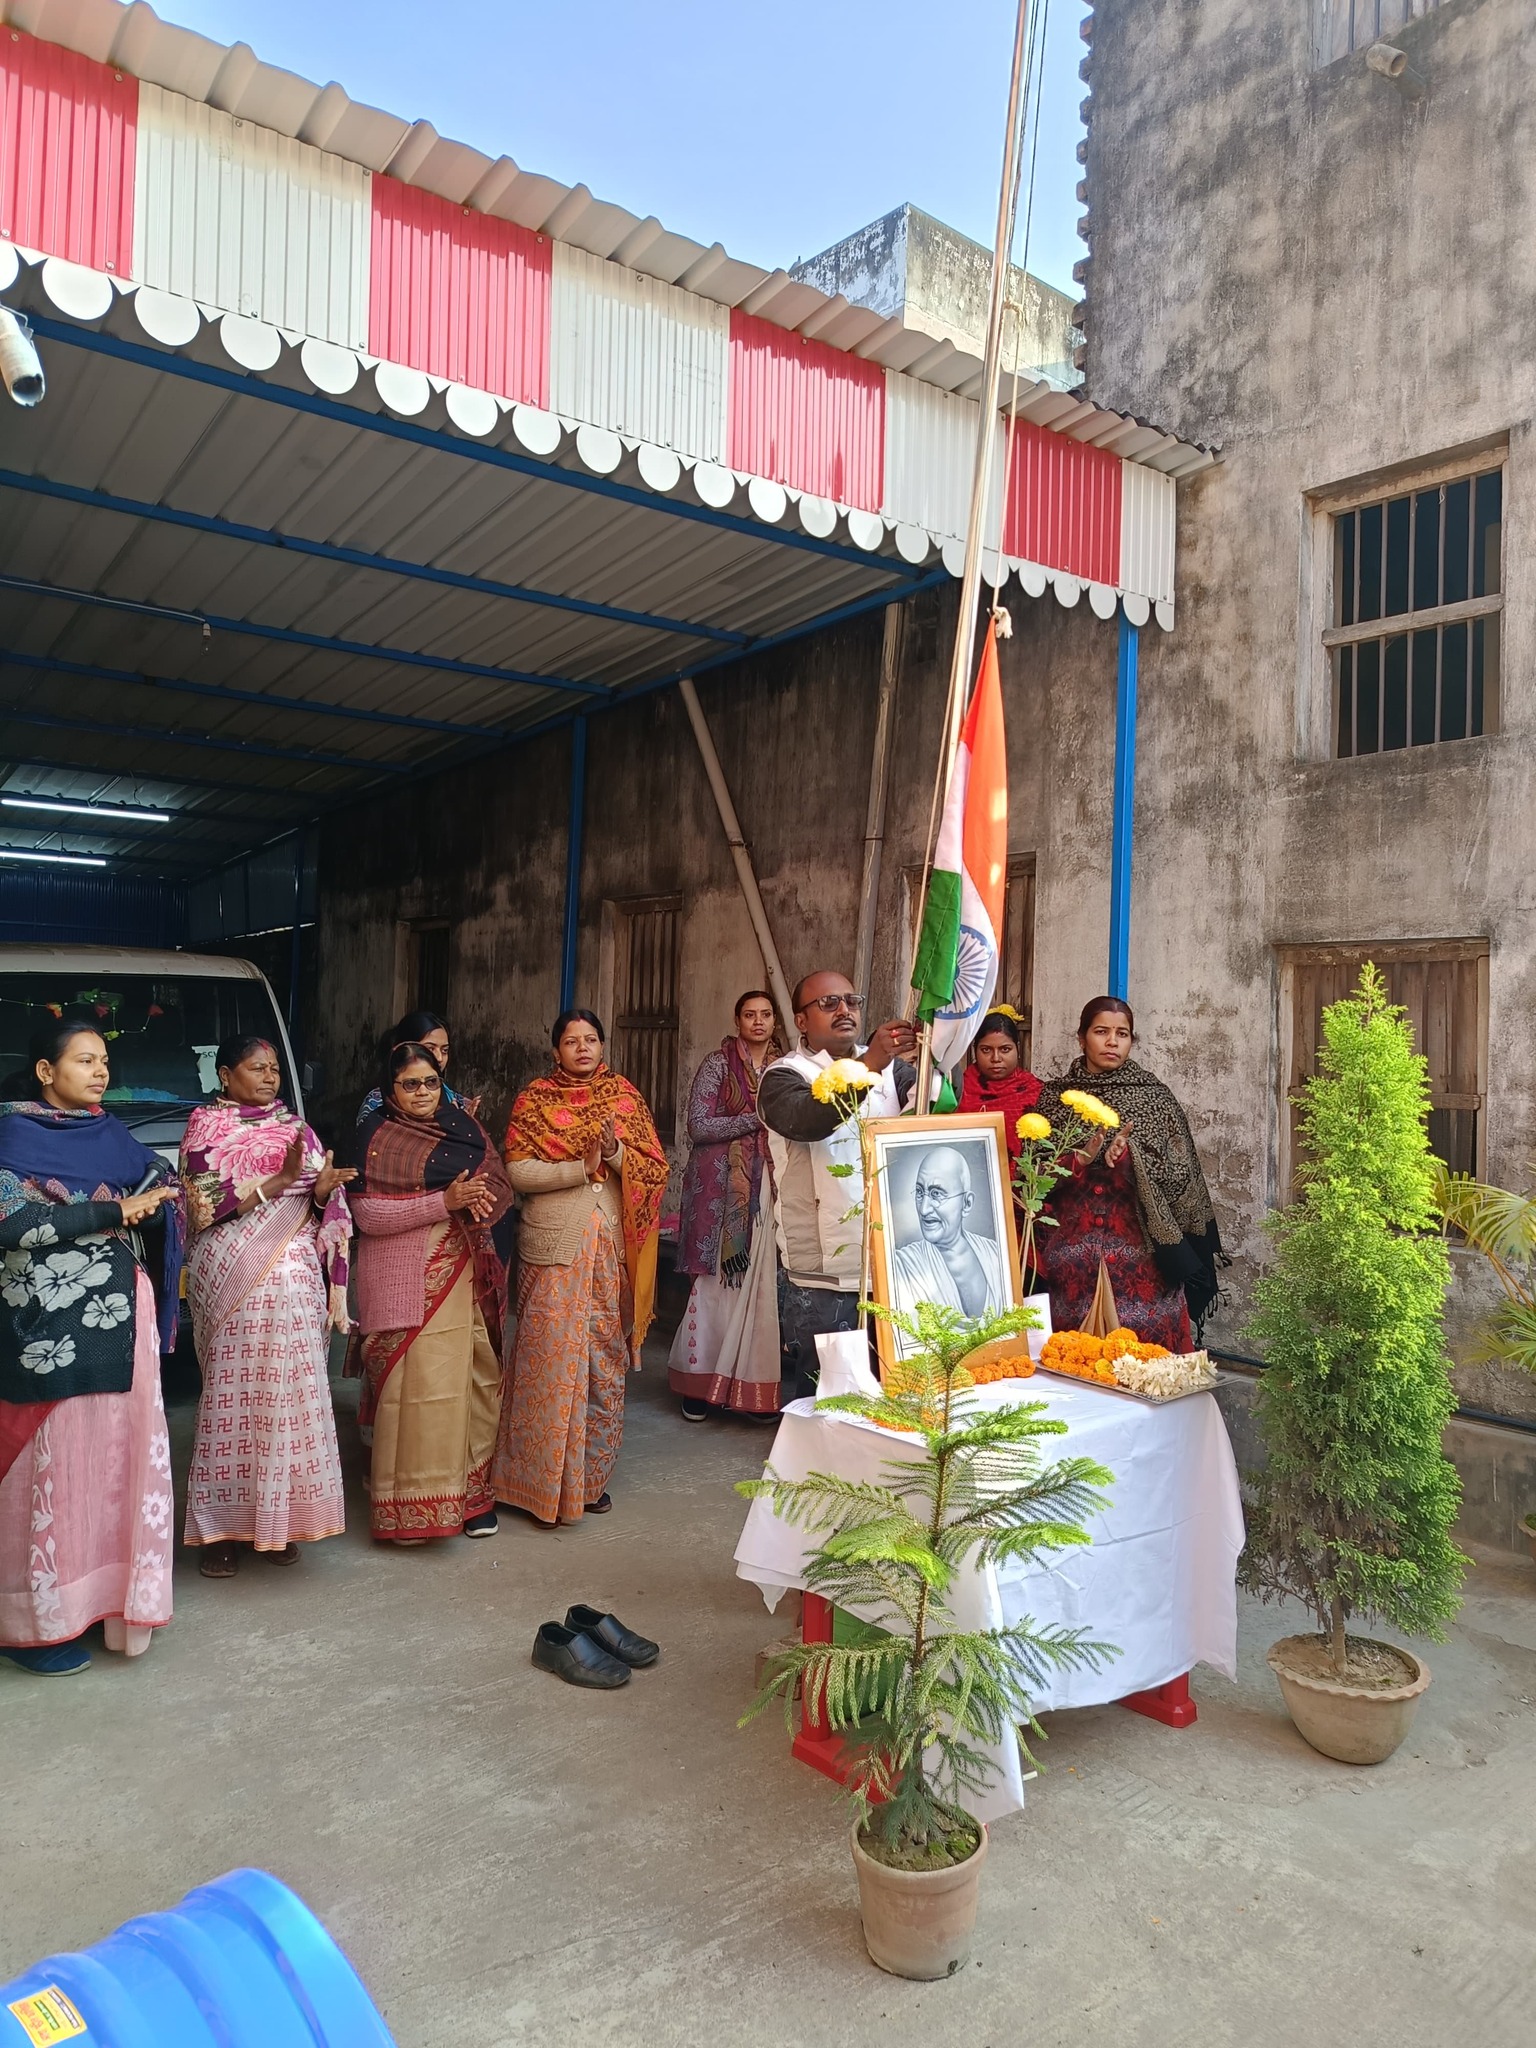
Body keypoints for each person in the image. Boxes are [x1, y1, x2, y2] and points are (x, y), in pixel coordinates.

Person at [0, 1020, 182, 1675]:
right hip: (47, 1335)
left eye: (104, 1061)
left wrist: (162, 1198)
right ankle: (36, 1625)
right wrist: (116, 1212)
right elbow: (16, 1225)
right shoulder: (12, 1134)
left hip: (122, 1326)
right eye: (84, 1061)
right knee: (51, 1470)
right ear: (47, 1072)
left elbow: (165, 1190)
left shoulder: (110, 1134)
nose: (100, 1072)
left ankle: (106, 1605)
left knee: (111, 1467)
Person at [180, 1035, 355, 1578]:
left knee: (289, 1398)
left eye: (276, 1068)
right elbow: (201, 1205)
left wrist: (322, 1192)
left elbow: (324, 1203)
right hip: (231, 1272)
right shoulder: (205, 1127)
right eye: (258, 1068)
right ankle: (221, 1531)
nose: (270, 1077)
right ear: (226, 1074)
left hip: (296, 1280)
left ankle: (280, 1522)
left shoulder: (298, 1128)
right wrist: (274, 1183)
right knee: (230, 1399)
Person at [492, 1010, 669, 1526]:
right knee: (546, 1361)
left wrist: (614, 1153)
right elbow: (518, 1170)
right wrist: (579, 1168)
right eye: (572, 1041)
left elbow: (653, 1169)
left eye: (591, 1039)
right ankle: (535, 1486)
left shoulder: (625, 1098)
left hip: (609, 1252)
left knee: (602, 1363)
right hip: (553, 1248)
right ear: (555, 1051)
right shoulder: (534, 1100)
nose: (583, 1048)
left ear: (602, 1045)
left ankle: (590, 1482)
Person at [349, 1042, 512, 1543]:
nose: (421, 1093)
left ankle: (470, 1498)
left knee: (468, 1383)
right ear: (389, 1089)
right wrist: (444, 1201)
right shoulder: (374, 1137)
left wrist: (476, 1202)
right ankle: (410, 1510)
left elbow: (498, 1184)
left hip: (464, 1272)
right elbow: (367, 1216)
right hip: (403, 1282)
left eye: (430, 1082)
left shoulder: (465, 1127)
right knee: (414, 1392)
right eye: (409, 1084)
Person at [757, 971, 916, 1398]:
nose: (845, 1010)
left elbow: (931, 1116)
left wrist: (934, 1063)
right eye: (828, 1004)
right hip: (824, 1273)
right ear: (801, 1021)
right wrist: (870, 1067)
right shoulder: (783, 1075)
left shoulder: (893, 1069)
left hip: (890, 1261)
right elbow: (808, 1119)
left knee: (893, 1392)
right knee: (825, 1396)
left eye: (852, 1001)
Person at [1036, 997, 1222, 1351]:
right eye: (1101, 1031)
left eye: (1122, 1034)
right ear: (1081, 1038)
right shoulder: (1055, 1098)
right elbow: (1034, 1180)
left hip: (1141, 1261)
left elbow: (1180, 1177)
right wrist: (1080, 1158)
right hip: (1071, 1261)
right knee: (1074, 1360)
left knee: (1145, 1362)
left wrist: (1130, 1160)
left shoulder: (1155, 1099)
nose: (1112, 1041)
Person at [668, 991, 782, 1422]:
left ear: (774, 1021)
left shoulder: (784, 1067)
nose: (758, 1022)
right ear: (737, 1019)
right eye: (749, 1014)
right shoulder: (718, 1064)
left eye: (765, 1015)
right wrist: (757, 1117)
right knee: (717, 1286)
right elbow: (699, 1125)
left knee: (758, 1287)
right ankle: (698, 1385)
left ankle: (749, 1389)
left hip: (767, 1186)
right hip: (720, 1192)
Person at [888, 1144, 1008, 1336]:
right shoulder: (902, 1264)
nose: (924, 1208)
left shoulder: (995, 1254)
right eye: (919, 1192)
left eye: (937, 1194)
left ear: (967, 1203)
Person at [956, 1009, 1042, 1174]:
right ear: (975, 1050)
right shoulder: (958, 1091)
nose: (996, 1058)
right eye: (986, 1050)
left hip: (1024, 1191)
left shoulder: (1036, 1092)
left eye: (1005, 1049)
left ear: (1017, 1049)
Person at [355, 1011, 477, 1123]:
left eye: (444, 1050)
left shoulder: (459, 1103)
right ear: (406, 1049)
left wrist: (464, 1125)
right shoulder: (377, 1102)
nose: (439, 1058)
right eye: (430, 1048)